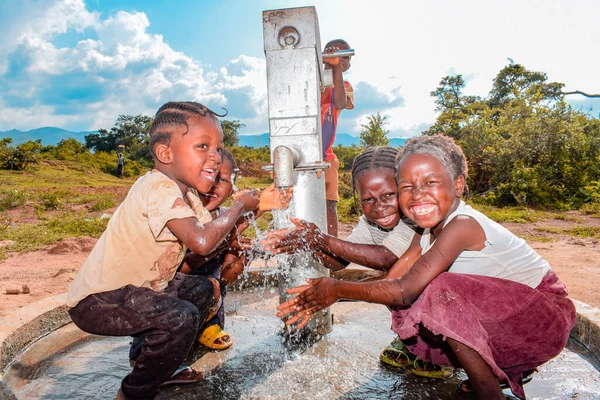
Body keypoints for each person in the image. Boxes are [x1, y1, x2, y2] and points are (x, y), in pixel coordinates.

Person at [277, 134, 576, 400]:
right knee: (410, 301)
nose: (417, 195)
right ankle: (494, 369)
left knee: (438, 290)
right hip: (515, 319)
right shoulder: (425, 230)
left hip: (544, 319)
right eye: (407, 187)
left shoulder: (462, 225)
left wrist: (337, 289)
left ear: (458, 184)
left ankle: (489, 391)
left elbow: (403, 289)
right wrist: (326, 283)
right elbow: (394, 280)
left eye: (429, 183)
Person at [66, 101, 262, 400]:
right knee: (179, 317)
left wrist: (254, 215)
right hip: (99, 300)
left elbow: (215, 238)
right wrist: (238, 206)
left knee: (206, 290)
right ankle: (133, 392)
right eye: (202, 146)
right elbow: (201, 241)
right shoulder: (158, 186)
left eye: (219, 148)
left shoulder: (191, 198)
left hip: (142, 291)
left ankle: (161, 365)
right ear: (165, 153)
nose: (214, 156)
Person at [261, 146, 415, 273]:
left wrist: (321, 239)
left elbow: (385, 258)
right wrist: (308, 245)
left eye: (389, 195)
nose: (379, 207)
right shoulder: (370, 223)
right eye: (368, 199)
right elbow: (340, 262)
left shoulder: (414, 219)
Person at [321, 39, 354, 237]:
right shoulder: (314, 81)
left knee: (329, 204)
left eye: (345, 58)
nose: (340, 60)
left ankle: (332, 247)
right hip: (305, 154)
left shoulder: (345, 85)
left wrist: (336, 71)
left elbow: (340, 102)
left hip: (327, 156)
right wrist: (326, 66)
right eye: (336, 55)